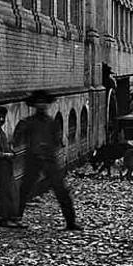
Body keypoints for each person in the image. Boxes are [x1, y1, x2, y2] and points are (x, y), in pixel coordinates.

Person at [14, 90, 81, 231]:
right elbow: (18, 138)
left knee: (60, 189)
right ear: (34, 105)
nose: (41, 105)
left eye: (44, 102)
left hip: (50, 160)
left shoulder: (51, 123)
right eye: (38, 102)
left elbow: (57, 141)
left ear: (47, 104)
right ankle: (16, 218)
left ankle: (71, 222)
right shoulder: (29, 122)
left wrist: (49, 147)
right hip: (33, 160)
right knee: (24, 188)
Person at [0, 106, 24, 228]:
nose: (1, 119)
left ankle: (11, 217)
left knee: (10, 192)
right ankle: (4, 219)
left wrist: (10, 151)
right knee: (4, 193)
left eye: (3, 117)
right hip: (0, 167)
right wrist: (5, 154)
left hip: (6, 166)